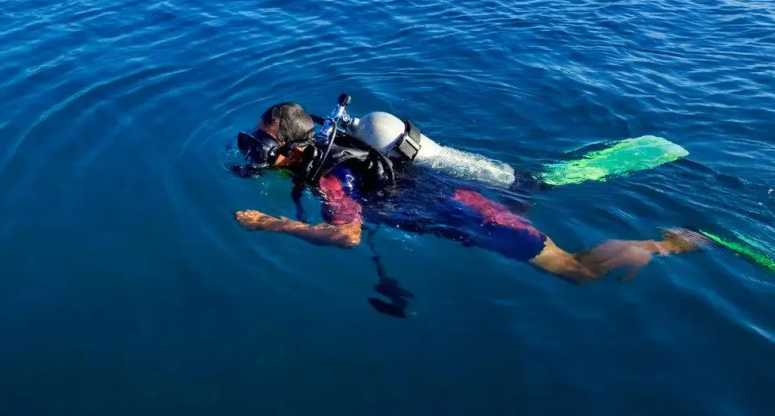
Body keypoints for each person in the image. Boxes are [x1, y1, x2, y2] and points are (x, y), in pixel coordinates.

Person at [233, 101, 704, 284]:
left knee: (576, 270)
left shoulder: (333, 176)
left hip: (465, 211)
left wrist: (270, 223)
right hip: (451, 199)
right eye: (252, 140)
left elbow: (347, 237)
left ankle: (662, 245)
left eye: (263, 144)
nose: (255, 151)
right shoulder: (330, 150)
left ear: (294, 148)